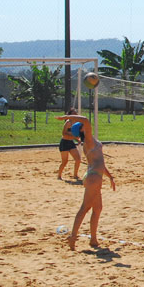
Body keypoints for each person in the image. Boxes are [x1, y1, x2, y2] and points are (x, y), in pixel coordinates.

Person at [56, 115, 115, 251]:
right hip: (93, 177)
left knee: (97, 208)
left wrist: (110, 176)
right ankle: (72, 237)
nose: (86, 126)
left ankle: (93, 239)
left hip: (96, 176)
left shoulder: (90, 141)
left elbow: (100, 162)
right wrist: (67, 117)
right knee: (85, 208)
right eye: (83, 127)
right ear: (82, 130)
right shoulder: (88, 140)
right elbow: (85, 120)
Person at [57, 107, 82, 181]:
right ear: (70, 115)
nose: (75, 115)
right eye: (73, 113)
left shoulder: (77, 123)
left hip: (71, 142)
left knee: (78, 159)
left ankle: (75, 175)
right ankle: (59, 175)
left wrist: (78, 139)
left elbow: (76, 134)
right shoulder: (68, 122)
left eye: (76, 113)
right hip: (64, 143)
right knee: (65, 161)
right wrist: (75, 138)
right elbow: (64, 134)